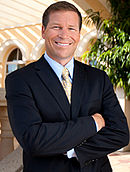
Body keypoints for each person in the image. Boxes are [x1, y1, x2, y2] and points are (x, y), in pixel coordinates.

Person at [5, 1, 129, 172]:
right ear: (43, 31)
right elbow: (33, 139)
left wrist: (73, 150)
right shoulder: (19, 80)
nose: (64, 35)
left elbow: (120, 133)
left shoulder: (98, 78)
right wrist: (93, 123)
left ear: (78, 34)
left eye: (71, 28)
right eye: (56, 27)